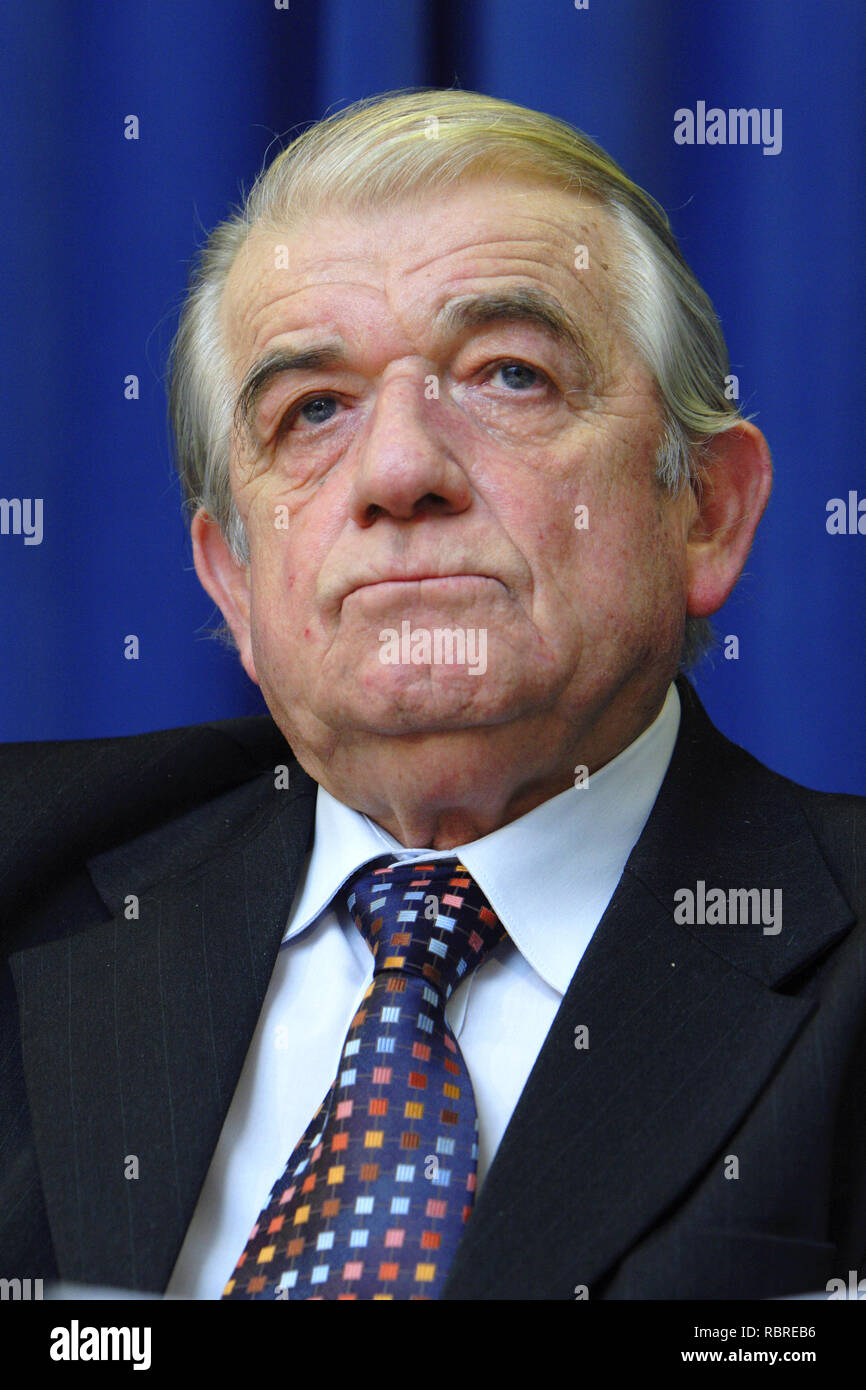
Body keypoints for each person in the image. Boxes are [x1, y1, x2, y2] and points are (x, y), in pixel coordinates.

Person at [1, 88, 864, 1302]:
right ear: (233, 579)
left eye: (508, 374)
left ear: (704, 512)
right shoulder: (33, 868)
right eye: (312, 410)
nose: (400, 468)